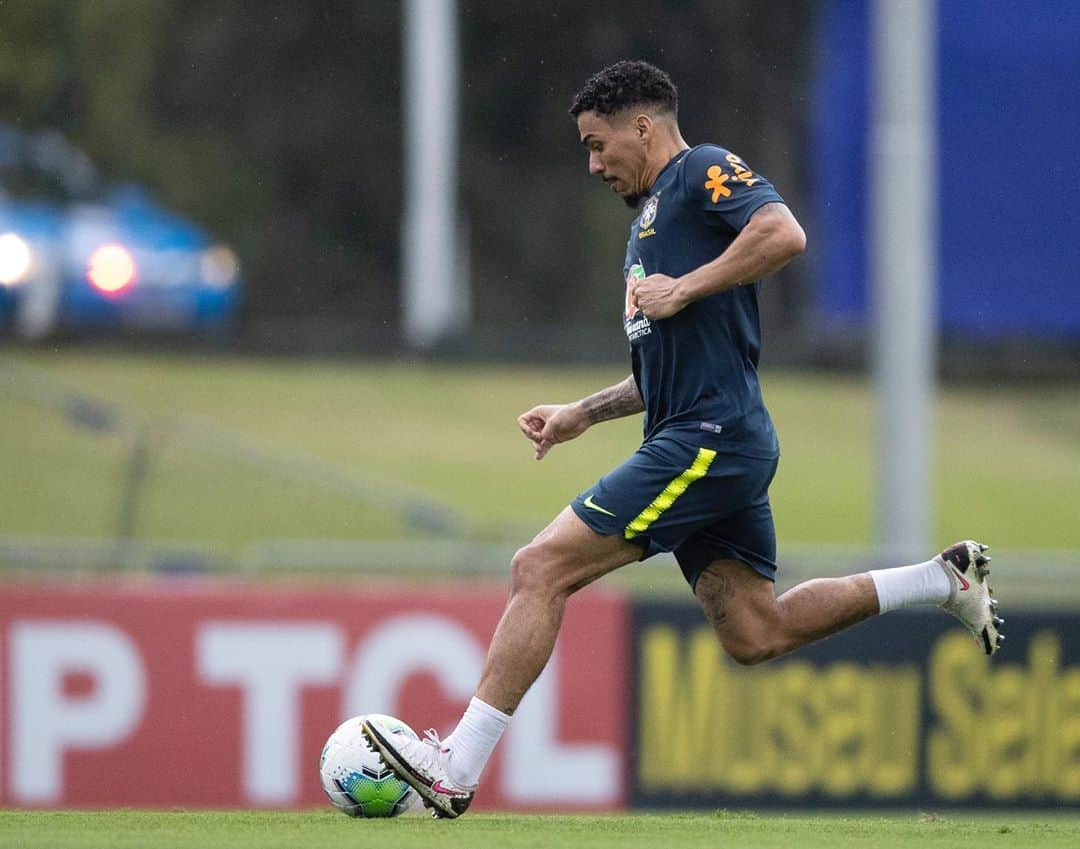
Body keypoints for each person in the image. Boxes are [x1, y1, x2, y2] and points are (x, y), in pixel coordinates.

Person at [363, 60, 1003, 818]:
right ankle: (941, 579)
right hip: (707, 438)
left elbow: (784, 231)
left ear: (643, 125)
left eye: (598, 144)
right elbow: (659, 371)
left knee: (539, 567)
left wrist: (688, 285)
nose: (593, 164)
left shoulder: (700, 171)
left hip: (711, 439)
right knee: (755, 632)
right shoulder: (646, 229)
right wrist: (582, 412)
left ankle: (454, 768)